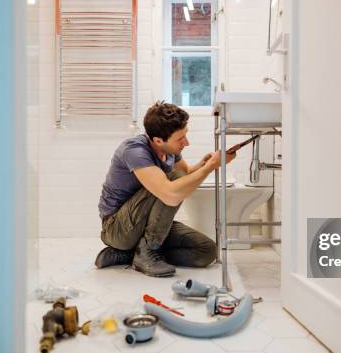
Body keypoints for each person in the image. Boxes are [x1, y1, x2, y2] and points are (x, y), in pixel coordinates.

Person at [94, 101, 236, 277]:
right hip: (117, 228)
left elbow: (187, 174)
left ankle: (132, 254)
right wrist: (210, 167)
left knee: (206, 251)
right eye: (180, 139)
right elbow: (171, 194)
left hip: (144, 223)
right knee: (173, 181)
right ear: (158, 140)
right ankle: (147, 251)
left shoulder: (170, 149)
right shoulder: (134, 150)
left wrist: (206, 163)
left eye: (185, 135)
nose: (187, 142)